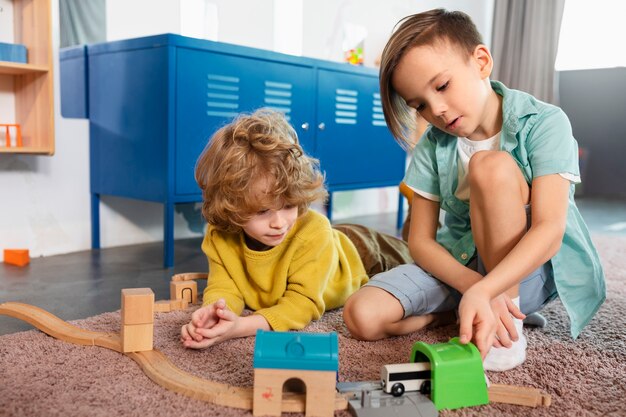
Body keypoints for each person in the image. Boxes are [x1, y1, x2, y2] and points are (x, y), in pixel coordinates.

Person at [342, 9, 605, 371]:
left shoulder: (545, 122)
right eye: (420, 105)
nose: (436, 110)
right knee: (361, 315)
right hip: (462, 268)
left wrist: (489, 288)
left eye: (442, 86)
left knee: (489, 167)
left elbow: (549, 230)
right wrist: (472, 285)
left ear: (481, 61)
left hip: (523, 271)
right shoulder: (433, 145)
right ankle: (454, 313)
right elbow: (420, 241)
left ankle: (506, 321)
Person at [181, 108, 414, 349]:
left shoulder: (313, 231)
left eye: (289, 205)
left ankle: (418, 205)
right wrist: (217, 312)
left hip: (365, 253)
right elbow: (224, 286)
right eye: (263, 211)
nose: (279, 223)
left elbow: (302, 304)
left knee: (424, 262)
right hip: (327, 244)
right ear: (231, 206)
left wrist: (240, 327)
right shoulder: (219, 236)